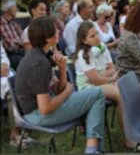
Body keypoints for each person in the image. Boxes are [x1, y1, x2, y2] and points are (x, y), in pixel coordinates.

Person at [14, 16, 106, 154]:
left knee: (96, 95)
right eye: (55, 29)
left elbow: (58, 89)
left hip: (45, 108)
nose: (58, 31)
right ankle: (92, 148)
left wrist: (62, 69)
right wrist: (68, 92)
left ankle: (92, 147)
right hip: (37, 115)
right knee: (98, 93)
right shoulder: (39, 63)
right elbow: (45, 108)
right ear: (48, 38)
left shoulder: (42, 55)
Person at [72, 22, 140, 151]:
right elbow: (96, 81)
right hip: (88, 89)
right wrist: (109, 78)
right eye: (92, 36)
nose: (97, 37)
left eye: (96, 34)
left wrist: (104, 76)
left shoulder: (102, 48)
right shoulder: (82, 55)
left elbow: (112, 69)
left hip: (103, 82)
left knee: (136, 88)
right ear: (84, 40)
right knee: (121, 94)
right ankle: (129, 139)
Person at [2, 44, 36, 148]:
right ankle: (15, 134)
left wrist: (4, 66)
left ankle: (23, 128)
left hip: (5, 74)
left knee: (23, 85)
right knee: (11, 93)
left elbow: (3, 56)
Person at [1, 0, 25, 70]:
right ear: (9, 9)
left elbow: (24, 40)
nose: (17, 10)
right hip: (8, 56)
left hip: (21, 52)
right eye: (15, 7)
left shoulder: (15, 24)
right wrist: (19, 41)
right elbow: (10, 47)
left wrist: (15, 41)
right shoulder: (1, 24)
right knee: (25, 60)